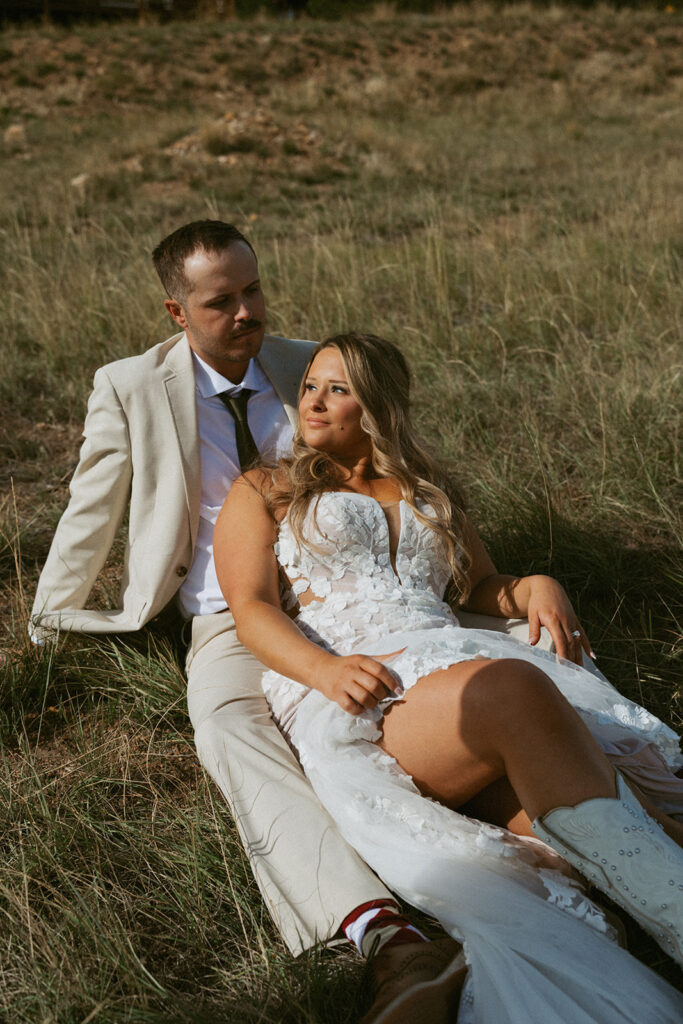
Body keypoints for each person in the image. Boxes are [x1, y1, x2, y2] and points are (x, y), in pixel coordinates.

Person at [32, 221, 515, 1021]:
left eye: (253, 290)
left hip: (348, 584)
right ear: (176, 311)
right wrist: (48, 625)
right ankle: (387, 938)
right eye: (221, 301)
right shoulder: (129, 386)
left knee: (520, 660)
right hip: (229, 609)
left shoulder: (303, 366)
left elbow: (389, 458)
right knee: (227, 726)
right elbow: (90, 512)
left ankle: (566, 825)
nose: (247, 312)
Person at [214, 332, 683, 1023]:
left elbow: (478, 587)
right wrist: (323, 668)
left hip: (444, 656)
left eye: (337, 389)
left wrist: (534, 586)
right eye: (310, 385)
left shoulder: (426, 492)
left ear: (376, 406)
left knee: (634, 814)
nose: (312, 400)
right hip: (359, 687)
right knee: (515, 689)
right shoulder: (267, 487)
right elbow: (249, 608)